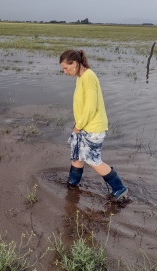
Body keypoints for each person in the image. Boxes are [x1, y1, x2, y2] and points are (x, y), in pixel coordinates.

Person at [59, 49, 127, 201]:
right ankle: (72, 184)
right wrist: (78, 122)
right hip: (83, 125)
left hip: (93, 128)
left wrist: (78, 126)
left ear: (75, 64)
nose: (64, 72)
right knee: (76, 155)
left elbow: (91, 107)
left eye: (65, 68)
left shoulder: (89, 77)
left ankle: (119, 187)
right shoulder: (81, 76)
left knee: (93, 160)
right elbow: (82, 104)